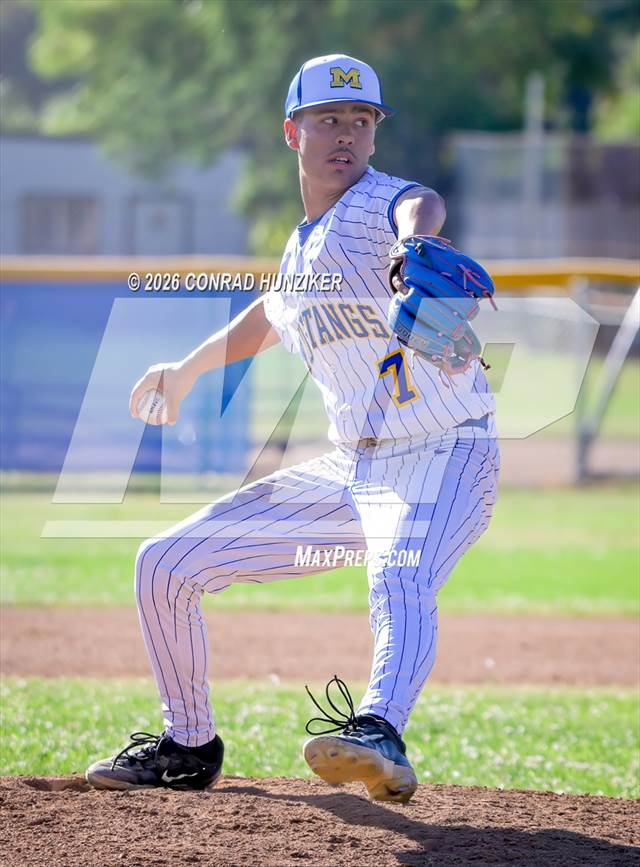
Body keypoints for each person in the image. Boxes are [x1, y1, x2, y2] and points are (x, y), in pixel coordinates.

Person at [86, 54, 499, 804]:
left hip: (447, 452)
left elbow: (422, 202)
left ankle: (379, 729)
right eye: (328, 119)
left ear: (374, 137)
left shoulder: (379, 207)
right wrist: (186, 368)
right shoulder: (304, 244)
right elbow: (268, 316)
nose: (347, 133)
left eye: (362, 121)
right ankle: (188, 744)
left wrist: (414, 246)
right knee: (164, 562)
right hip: (353, 471)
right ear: (292, 132)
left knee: (400, 573)